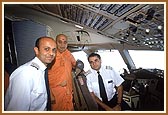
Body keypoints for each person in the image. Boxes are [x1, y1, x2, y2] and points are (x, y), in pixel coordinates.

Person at [4, 36, 57, 111]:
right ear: (36, 50)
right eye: (46, 49)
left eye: (54, 50)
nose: (51, 53)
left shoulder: (42, 71)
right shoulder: (25, 74)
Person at [48, 34, 76, 111]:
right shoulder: (50, 55)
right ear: (55, 43)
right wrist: (50, 94)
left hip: (68, 91)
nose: (62, 45)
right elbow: (44, 76)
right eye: (60, 42)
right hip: (56, 92)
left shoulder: (68, 54)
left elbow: (75, 65)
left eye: (65, 42)